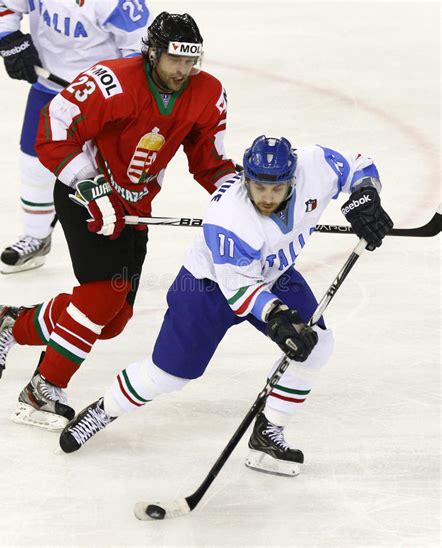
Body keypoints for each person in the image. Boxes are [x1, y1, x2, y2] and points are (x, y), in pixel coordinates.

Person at [57, 135, 393, 476]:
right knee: (168, 375)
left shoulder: (315, 164)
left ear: (293, 179)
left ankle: (268, 433)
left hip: (275, 274)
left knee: (316, 345)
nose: (267, 197)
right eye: (259, 187)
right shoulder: (230, 217)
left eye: (276, 189)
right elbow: (240, 291)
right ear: (245, 178)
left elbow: (359, 166)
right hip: (208, 287)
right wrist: (278, 318)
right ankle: (105, 409)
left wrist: (366, 195)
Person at [0, 11, 239, 431]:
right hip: (87, 196)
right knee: (101, 299)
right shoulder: (113, 80)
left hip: (135, 207)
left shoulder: (207, 93)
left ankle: (13, 321)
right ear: (152, 53)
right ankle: (42, 388)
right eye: (175, 60)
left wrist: (241, 199)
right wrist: (89, 184)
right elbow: (55, 126)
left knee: (114, 320)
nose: (183, 71)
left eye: (191, 62)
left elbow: (210, 159)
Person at [0, 0, 152, 273]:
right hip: (49, 89)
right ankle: (36, 236)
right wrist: (9, 38)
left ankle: (118, 244)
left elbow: (141, 52)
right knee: (34, 163)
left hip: (102, 100)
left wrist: (124, 95)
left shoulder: (117, 3)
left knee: (105, 173)